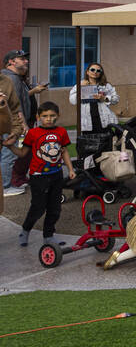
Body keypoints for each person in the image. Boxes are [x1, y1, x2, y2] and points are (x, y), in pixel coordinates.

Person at [7, 101, 74, 247]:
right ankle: (25, 230)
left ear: (58, 116)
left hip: (56, 175)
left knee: (55, 208)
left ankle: (48, 236)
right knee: (38, 207)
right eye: (45, 116)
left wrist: (70, 169)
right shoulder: (33, 133)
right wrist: (10, 146)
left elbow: (64, 152)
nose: (48, 119)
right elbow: (23, 152)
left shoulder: (61, 132)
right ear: (38, 117)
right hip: (38, 177)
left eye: (52, 116)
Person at [0, 49, 42, 197]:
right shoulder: (9, 78)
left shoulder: (15, 78)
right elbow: (12, 106)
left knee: (8, 153)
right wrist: (22, 125)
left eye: (26, 58)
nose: (26, 61)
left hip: (12, 123)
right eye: (21, 59)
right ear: (11, 62)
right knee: (8, 154)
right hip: (10, 124)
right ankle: (5, 187)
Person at [68, 62, 120, 133]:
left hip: (103, 121)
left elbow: (116, 99)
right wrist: (80, 88)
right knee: (89, 143)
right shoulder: (80, 84)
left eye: (98, 71)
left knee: (105, 142)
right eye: (92, 70)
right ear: (87, 72)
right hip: (87, 123)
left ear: (101, 73)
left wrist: (104, 98)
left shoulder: (106, 86)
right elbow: (72, 101)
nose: (95, 72)